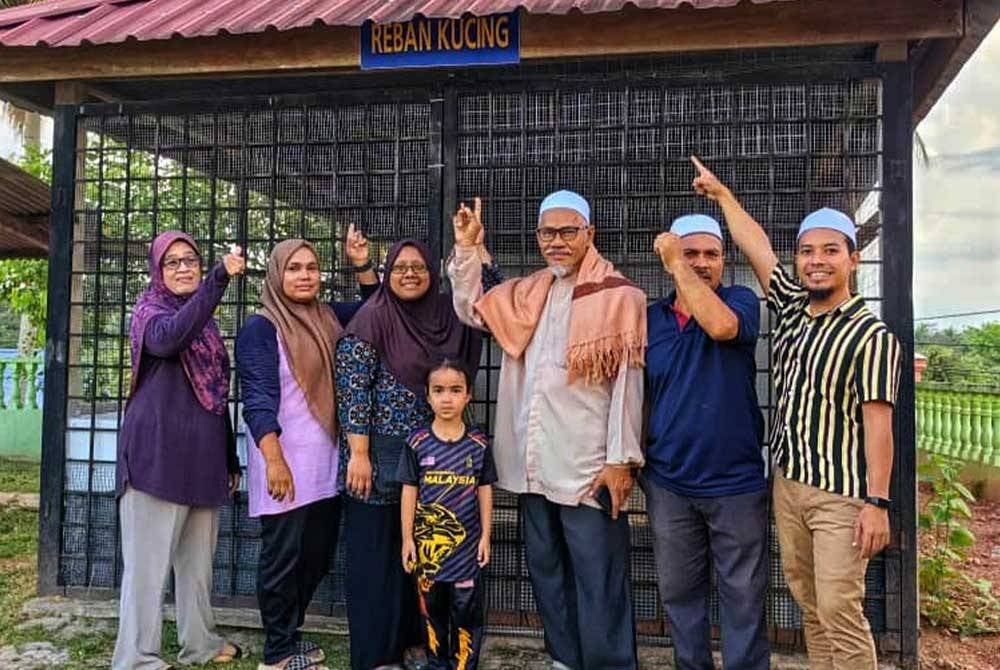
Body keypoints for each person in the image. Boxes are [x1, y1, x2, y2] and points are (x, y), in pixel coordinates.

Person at [689, 156, 902, 669]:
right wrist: (722, 196)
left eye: (830, 250)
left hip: (841, 497)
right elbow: (758, 247)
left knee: (839, 609)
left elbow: (879, 426)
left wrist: (878, 502)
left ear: (853, 259)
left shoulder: (871, 336)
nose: (816, 261)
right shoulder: (790, 308)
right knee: (809, 603)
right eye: (807, 251)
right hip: (788, 484)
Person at [448, 192, 646, 670]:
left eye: (567, 231)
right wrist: (468, 249)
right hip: (532, 464)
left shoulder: (622, 296)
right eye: (547, 233)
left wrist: (620, 459)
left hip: (588, 468)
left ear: (589, 234)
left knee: (598, 578)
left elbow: (629, 387)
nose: (556, 241)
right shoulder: (527, 291)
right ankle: (564, 659)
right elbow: (473, 309)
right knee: (547, 572)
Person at [336, 239, 483, 670]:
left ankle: (416, 646)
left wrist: (474, 249)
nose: (410, 274)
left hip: (432, 466)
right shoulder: (372, 318)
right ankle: (376, 656)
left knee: (419, 559)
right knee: (376, 561)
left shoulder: (446, 318)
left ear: (432, 274)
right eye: (399, 267)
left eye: (419, 266)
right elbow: (353, 391)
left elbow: (484, 307)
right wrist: (359, 453)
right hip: (377, 462)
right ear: (387, 273)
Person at [235, 227, 377, 670]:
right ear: (276, 274)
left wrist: (361, 263)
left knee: (316, 556)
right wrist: (274, 460)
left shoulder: (327, 317)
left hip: (325, 462)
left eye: (312, 267)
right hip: (284, 461)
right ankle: (277, 651)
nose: (304, 276)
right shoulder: (261, 328)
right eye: (294, 268)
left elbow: (378, 309)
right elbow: (257, 399)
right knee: (283, 558)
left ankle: (289, 634)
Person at [113, 231, 245, 670]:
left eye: (191, 260)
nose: (184, 268)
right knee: (147, 569)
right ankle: (136, 659)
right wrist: (218, 279)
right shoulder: (149, 313)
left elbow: (215, 393)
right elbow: (170, 339)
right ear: (157, 270)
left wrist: (228, 456)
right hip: (156, 458)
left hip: (202, 459)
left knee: (197, 566)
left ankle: (200, 644)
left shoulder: (204, 324)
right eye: (172, 262)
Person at [643, 214, 769, 670]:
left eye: (710, 254)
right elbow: (641, 395)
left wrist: (677, 262)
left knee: (744, 598)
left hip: (735, 484)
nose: (700, 262)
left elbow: (719, 327)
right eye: (689, 253)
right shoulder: (651, 319)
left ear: (724, 261)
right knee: (679, 595)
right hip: (668, 484)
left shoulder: (740, 301)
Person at [399, 358, 497, 670]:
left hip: (467, 552)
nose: (446, 398)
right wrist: (407, 539)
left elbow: (485, 490)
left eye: (455, 390)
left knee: (466, 616)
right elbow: (409, 491)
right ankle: (436, 665)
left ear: (468, 395)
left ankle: (464, 665)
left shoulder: (478, 444)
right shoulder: (417, 442)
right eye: (438, 390)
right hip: (428, 555)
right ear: (428, 396)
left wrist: (486, 536)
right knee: (432, 616)